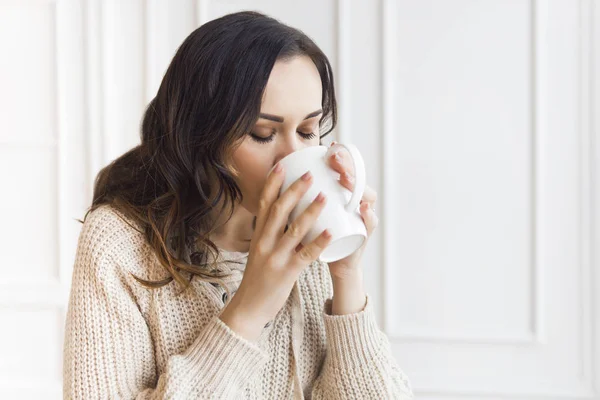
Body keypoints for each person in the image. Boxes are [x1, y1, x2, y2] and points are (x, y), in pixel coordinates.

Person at [62, 10, 414, 399]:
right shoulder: (118, 244)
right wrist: (249, 308)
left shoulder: (307, 239)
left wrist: (346, 273)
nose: (292, 158)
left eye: (307, 131)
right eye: (263, 134)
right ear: (199, 135)